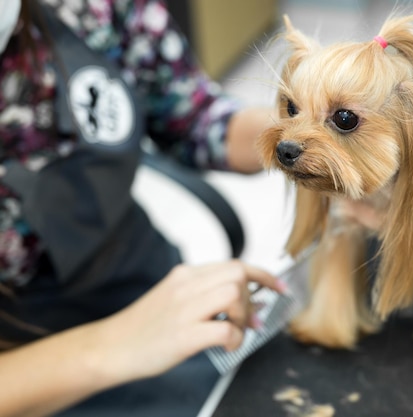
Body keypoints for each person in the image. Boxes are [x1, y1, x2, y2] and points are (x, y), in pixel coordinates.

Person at [0, 0, 284, 416]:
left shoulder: (90, 10)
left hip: (138, 273)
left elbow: (194, 116)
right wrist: (114, 346)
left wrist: (303, 136)